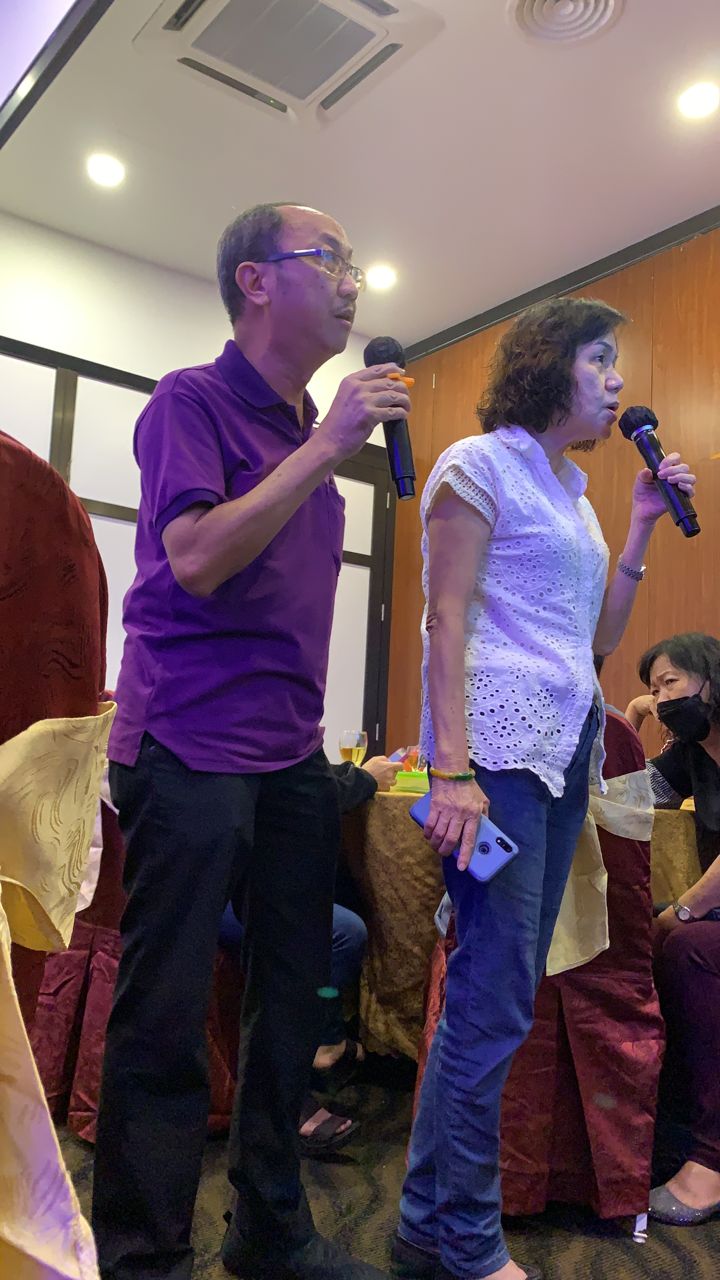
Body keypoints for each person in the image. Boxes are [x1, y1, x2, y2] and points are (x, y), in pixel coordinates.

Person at [91, 202, 411, 1280]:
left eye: (355, 263)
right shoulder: (191, 400)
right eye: (331, 258)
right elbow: (193, 559)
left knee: (293, 1000)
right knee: (168, 1011)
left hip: (289, 754)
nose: (353, 280)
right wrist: (324, 448)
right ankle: (144, 1256)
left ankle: (270, 1232)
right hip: (186, 740)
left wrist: (319, 446)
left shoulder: (314, 433)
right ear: (256, 281)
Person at [390, 298, 697, 1280]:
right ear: (546, 365)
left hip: (562, 762)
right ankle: (468, 1239)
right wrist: (448, 771)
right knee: (491, 997)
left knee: (502, 990)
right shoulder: (478, 464)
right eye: (599, 358)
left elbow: (596, 640)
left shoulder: (574, 492)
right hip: (493, 765)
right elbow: (443, 618)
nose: (617, 379)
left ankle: (424, 1225)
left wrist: (639, 528)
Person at [218, 754, 400, 1154]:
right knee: (339, 933)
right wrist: (362, 779)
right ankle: (307, 1067)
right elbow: (291, 786)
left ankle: (326, 1040)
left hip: (244, 865)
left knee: (340, 894)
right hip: (214, 885)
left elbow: (297, 773)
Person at [628, 632, 720, 1225]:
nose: (662, 698)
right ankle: (677, 1120)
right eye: (653, 689)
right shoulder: (692, 754)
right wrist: (630, 718)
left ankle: (713, 1157)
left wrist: (682, 910)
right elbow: (623, 797)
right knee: (638, 935)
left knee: (688, 946)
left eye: (670, 683)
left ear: (711, 679)